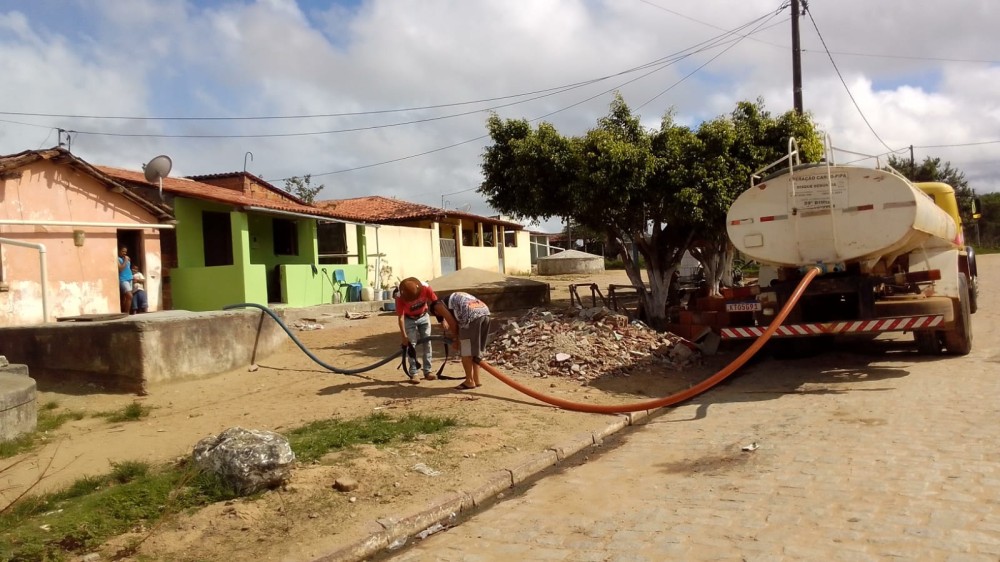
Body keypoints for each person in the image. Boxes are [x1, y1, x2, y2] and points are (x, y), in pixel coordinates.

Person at [431, 292, 491, 390]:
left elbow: (453, 323)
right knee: (477, 349)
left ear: (435, 311)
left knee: (466, 351)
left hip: (471, 317)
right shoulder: (456, 298)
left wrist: (456, 339)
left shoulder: (437, 305)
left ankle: (469, 381)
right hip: (485, 313)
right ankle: (476, 379)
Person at [395, 277, 438, 382]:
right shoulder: (399, 296)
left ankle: (428, 371)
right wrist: (404, 336)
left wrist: (442, 320)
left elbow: (436, 303)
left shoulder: (425, 288)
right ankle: (414, 373)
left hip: (424, 316)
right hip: (409, 319)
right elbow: (400, 317)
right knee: (411, 345)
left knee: (427, 343)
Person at [117, 247, 133, 313]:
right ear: (119, 251)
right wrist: (126, 261)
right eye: (123, 251)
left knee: (125, 297)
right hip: (123, 279)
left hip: (129, 278)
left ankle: (124, 312)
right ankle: (127, 313)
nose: (124, 253)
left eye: (125, 252)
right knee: (130, 296)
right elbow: (120, 269)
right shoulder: (118, 259)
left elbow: (128, 268)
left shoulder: (126, 258)